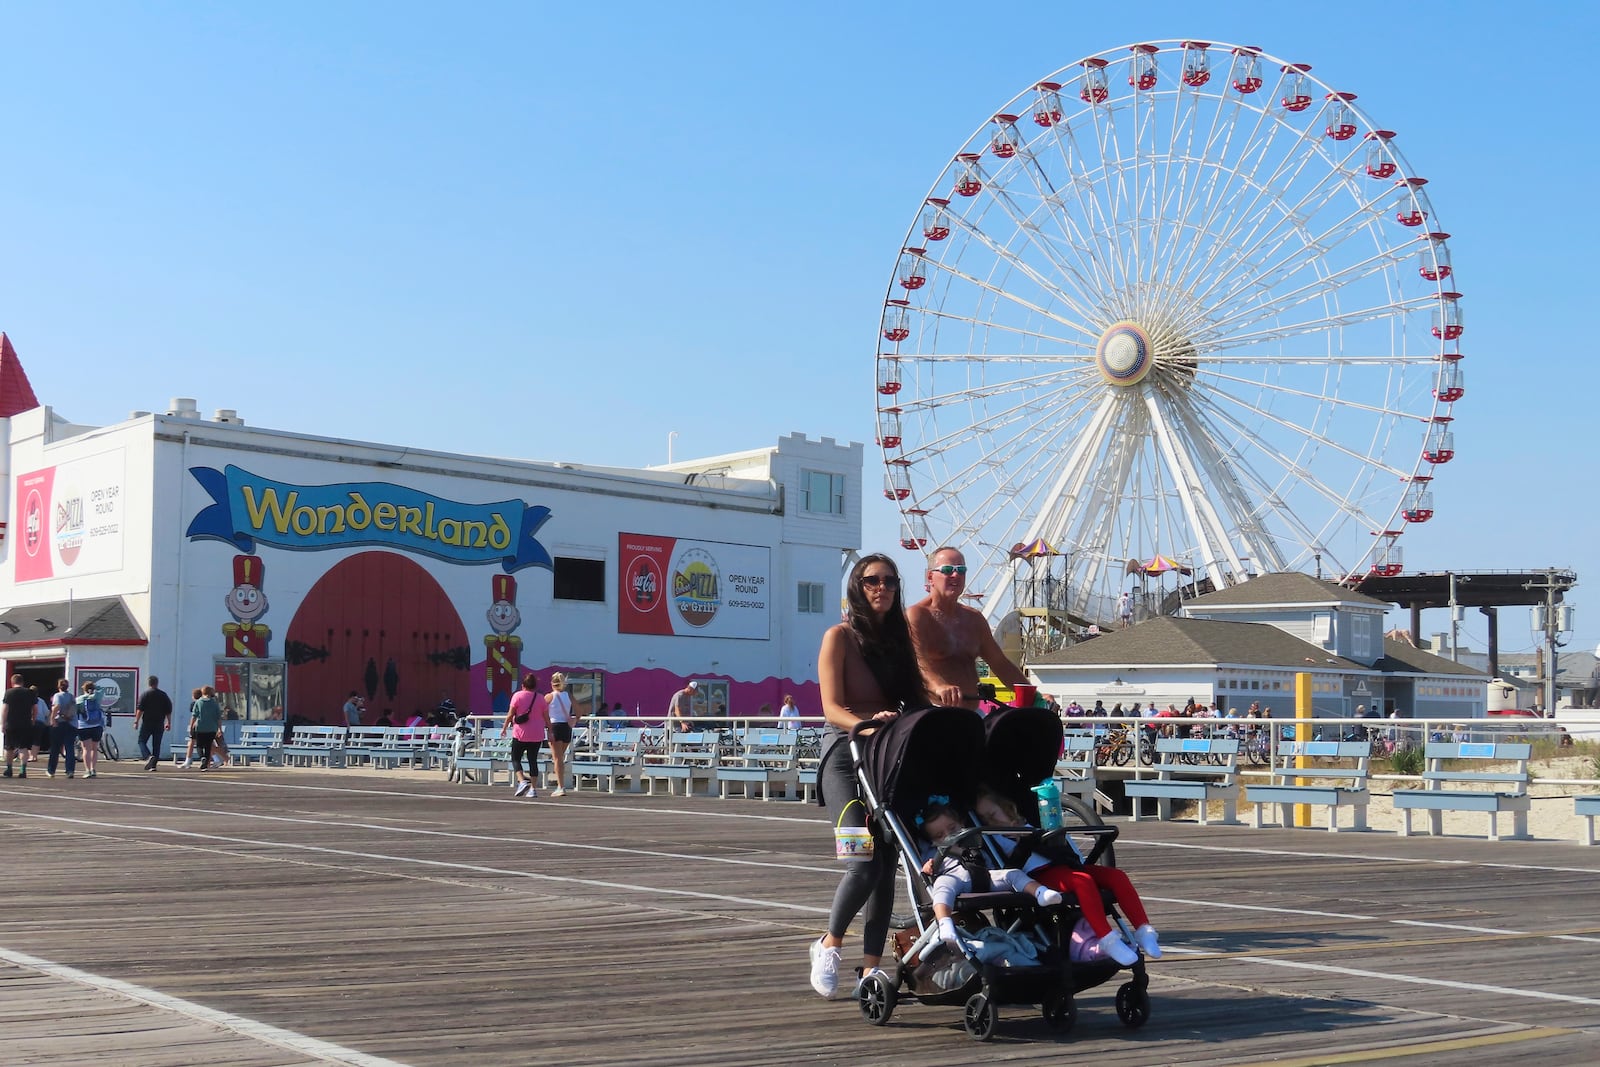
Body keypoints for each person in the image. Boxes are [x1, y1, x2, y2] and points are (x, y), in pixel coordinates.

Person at [809, 553, 927, 1000]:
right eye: (872, 580)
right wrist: (867, 723)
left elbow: (915, 700)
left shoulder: (900, 642)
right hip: (843, 756)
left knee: (887, 867)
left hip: (883, 760)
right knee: (863, 862)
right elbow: (831, 707)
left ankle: (871, 968)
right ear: (857, 587)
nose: (882, 588)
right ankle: (829, 943)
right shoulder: (838, 637)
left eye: (890, 581)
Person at [973, 787, 1159, 965]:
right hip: (1039, 876)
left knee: (1117, 877)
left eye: (992, 814)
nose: (990, 820)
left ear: (1006, 809)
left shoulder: (1028, 821)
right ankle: (1107, 939)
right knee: (1082, 881)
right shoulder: (994, 837)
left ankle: (1144, 930)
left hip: (1063, 864)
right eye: (985, 818)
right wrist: (1022, 843)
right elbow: (1007, 870)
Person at [906, 546, 1037, 712]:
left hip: (973, 713)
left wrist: (1034, 695)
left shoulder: (974, 619)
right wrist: (939, 686)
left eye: (961, 570)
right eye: (947, 570)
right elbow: (918, 662)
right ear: (930, 576)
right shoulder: (917, 615)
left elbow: (1000, 664)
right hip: (933, 711)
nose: (956, 575)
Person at [917, 801, 1062, 948]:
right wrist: (929, 866)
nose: (949, 836)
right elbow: (927, 867)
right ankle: (945, 923)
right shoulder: (934, 851)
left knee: (1014, 874)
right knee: (942, 887)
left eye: (952, 828)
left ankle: (1041, 892)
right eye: (940, 835)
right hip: (955, 879)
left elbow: (1007, 853)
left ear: (961, 823)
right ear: (934, 841)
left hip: (987, 876)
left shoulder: (976, 839)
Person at [503, 674, 546, 798]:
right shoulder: (540, 698)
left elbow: (510, 714)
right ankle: (533, 789)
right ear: (535, 686)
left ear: (523, 685)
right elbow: (546, 716)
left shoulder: (517, 696)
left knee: (516, 758)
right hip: (537, 734)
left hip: (520, 733)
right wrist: (550, 730)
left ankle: (521, 781)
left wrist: (505, 727)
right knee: (533, 760)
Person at [134, 676, 174, 772]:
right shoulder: (163, 695)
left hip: (147, 722)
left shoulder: (145, 694)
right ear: (157, 683)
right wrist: (168, 722)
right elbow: (168, 710)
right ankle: (153, 766)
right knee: (156, 744)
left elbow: (140, 709)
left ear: (149, 683)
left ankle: (148, 756)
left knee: (141, 741)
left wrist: (136, 721)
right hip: (159, 722)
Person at [545, 672, 575, 797]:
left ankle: (560, 786)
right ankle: (560, 783)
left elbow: (541, 711)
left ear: (552, 683)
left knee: (557, 759)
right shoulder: (567, 696)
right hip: (566, 727)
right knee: (560, 758)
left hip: (555, 726)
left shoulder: (549, 696)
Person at [3, 675, 36, 779]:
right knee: (23, 747)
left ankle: (9, 769)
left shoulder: (9, 692)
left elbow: (5, 709)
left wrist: (2, 723)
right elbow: (35, 708)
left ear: (12, 682)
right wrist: (33, 719)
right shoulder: (29, 693)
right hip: (25, 723)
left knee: (9, 747)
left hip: (11, 723)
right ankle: (23, 769)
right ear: (22, 682)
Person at [74, 680, 107, 778]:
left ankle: (87, 770)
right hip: (97, 725)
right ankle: (93, 769)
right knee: (94, 749)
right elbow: (102, 689)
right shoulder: (97, 697)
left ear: (83, 689)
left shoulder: (79, 699)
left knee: (86, 749)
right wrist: (95, 687)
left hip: (83, 726)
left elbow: (76, 712)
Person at [46, 679, 78, 778]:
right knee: (69, 748)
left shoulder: (58, 696)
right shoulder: (72, 696)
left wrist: (52, 719)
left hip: (60, 723)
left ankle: (51, 770)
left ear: (59, 686)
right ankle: (70, 770)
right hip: (72, 724)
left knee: (55, 748)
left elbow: (57, 707)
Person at [187, 686, 223, 770]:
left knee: (199, 745)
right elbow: (218, 718)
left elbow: (194, 716)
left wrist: (191, 726)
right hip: (211, 728)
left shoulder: (198, 702)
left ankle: (202, 757)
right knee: (208, 746)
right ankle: (206, 764)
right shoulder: (214, 703)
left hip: (200, 727)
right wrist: (219, 729)